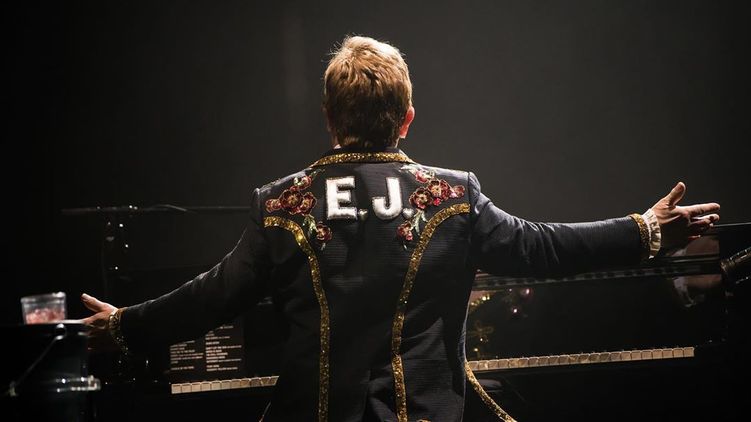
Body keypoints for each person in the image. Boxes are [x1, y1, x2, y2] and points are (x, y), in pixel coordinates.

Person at [80, 36, 720, 422]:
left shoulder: (281, 204)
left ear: (328, 116)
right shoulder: (453, 196)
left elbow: (213, 297)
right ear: (407, 117)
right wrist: (642, 231)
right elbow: (542, 247)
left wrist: (125, 325)